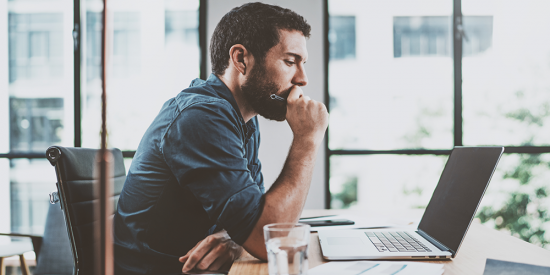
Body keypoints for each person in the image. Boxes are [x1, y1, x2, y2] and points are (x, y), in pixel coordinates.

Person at [114, 2, 328, 274]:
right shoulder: (202, 117)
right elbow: (269, 239)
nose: (302, 79)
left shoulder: (243, 119)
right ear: (240, 59)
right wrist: (307, 139)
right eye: (290, 61)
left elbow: (256, 217)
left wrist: (235, 239)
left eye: (303, 63)